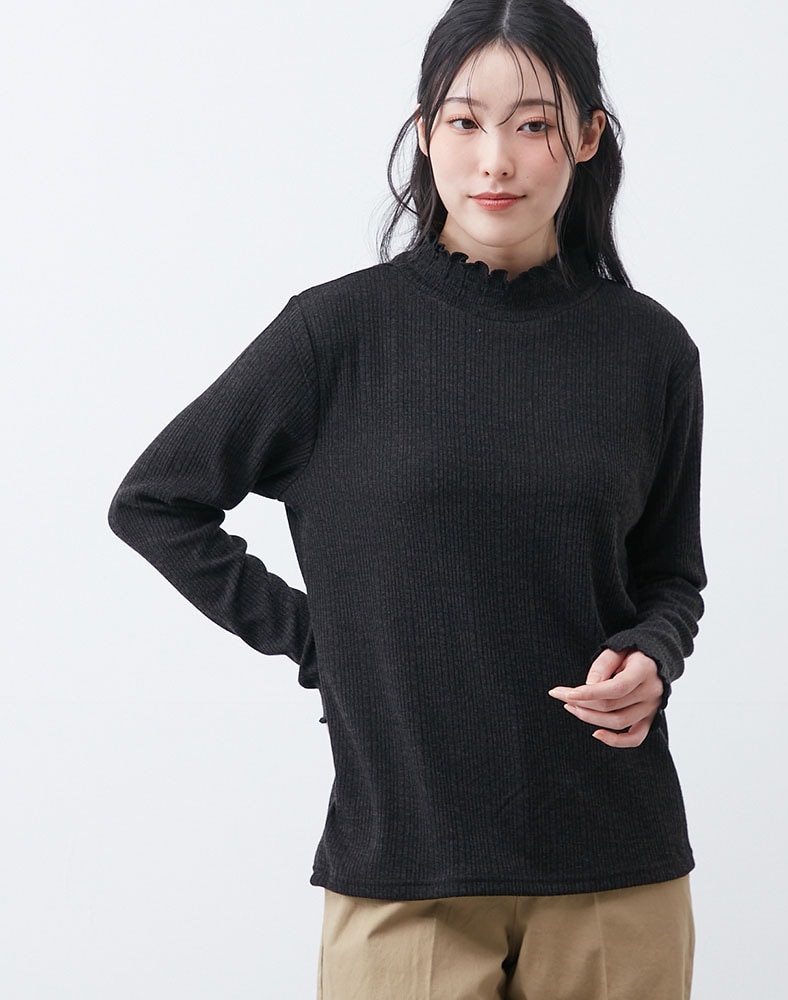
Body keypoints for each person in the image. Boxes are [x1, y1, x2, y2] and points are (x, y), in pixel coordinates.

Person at [107, 0, 707, 996]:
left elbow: (671, 577)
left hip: (615, 862)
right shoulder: (333, 335)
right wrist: (321, 642)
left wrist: (654, 654)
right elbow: (156, 502)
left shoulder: (650, 350)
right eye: (465, 121)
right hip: (405, 865)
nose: (495, 160)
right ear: (425, 131)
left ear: (588, 136)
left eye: (534, 124)